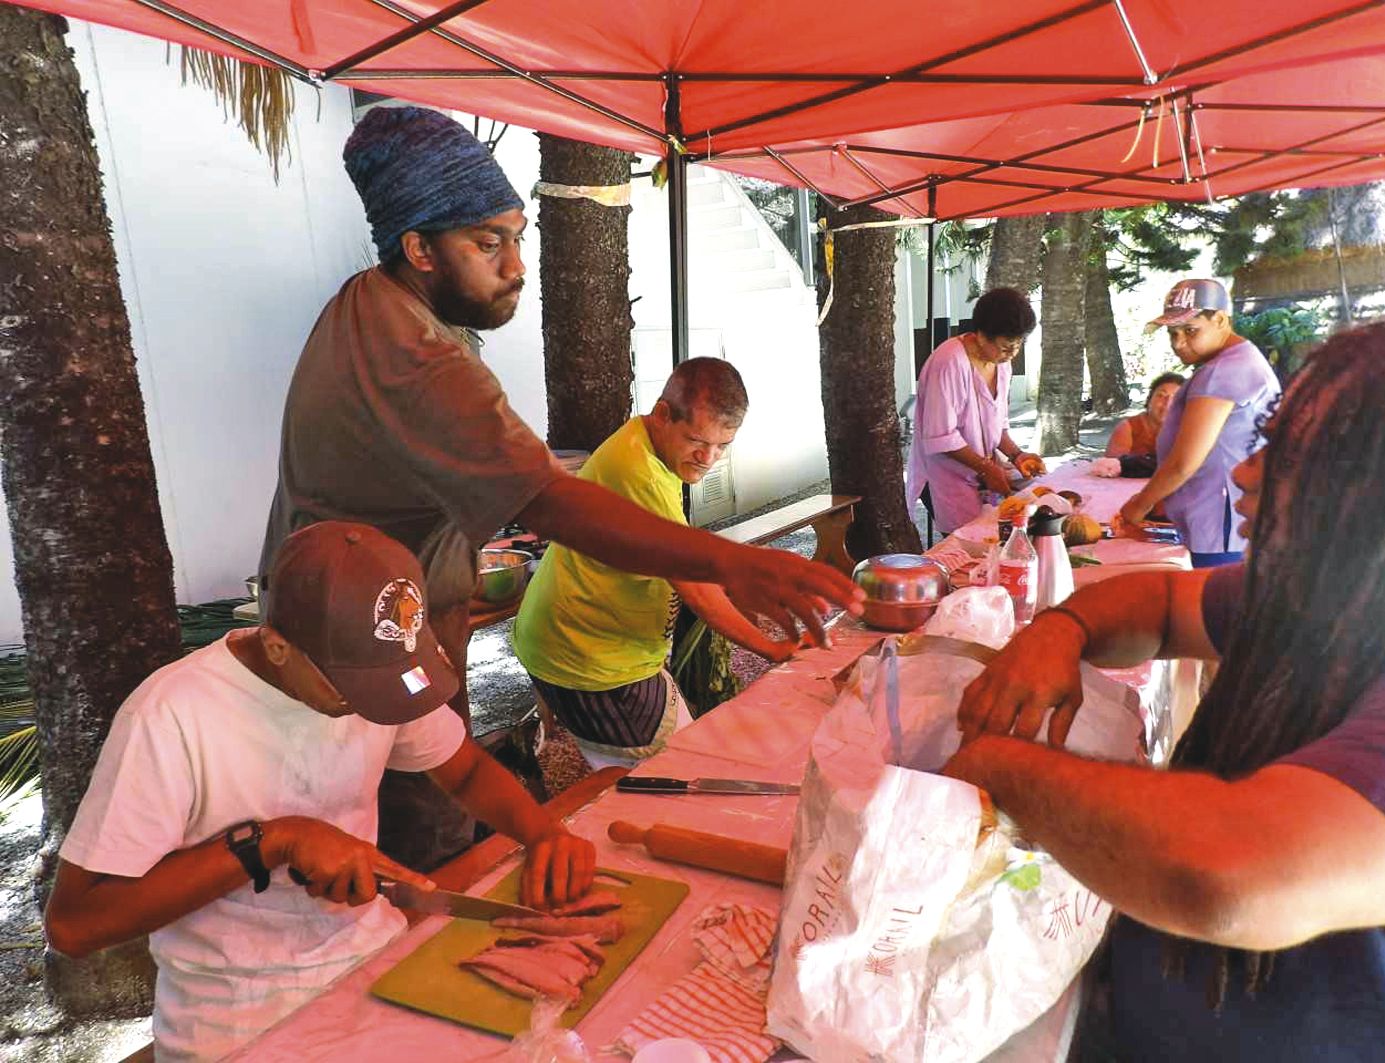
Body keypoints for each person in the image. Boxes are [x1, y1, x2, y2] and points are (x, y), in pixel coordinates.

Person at [257, 106, 859, 864]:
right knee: (410, 839)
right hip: (360, 649)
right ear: (418, 248)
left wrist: (450, 557)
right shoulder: (415, 354)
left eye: (517, 237)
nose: (515, 265)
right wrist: (730, 561)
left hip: (368, 623)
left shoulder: (367, 303)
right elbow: (547, 499)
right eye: (487, 243)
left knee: (410, 817)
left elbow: (402, 477)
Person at [951, 318, 1385, 1060]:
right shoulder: (1323, 594)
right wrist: (1057, 631)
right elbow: (1162, 606)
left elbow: (1229, 872)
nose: (1243, 472)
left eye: (1291, 458)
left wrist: (1000, 768)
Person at [45, 522, 597, 1061]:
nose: (374, 702)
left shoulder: (382, 669)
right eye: (354, 685)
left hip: (375, 960)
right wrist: (271, 843)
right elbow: (75, 924)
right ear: (278, 646)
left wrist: (544, 831)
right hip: (239, 1019)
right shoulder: (170, 717)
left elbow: (465, 770)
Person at [512, 358, 799, 768]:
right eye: (697, 440)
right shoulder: (638, 471)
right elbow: (695, 586)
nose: (708, 458)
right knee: (682, 775)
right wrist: (771, 648)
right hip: (592, 659)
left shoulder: (647, 444)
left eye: (723, 446)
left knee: (645, 776)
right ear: (663, 414)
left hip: (583, 646)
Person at [1117, 280, 1279, 566]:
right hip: (1226, 517)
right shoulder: (1239, 360)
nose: (1179, 343)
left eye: (1191, 331)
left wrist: (1138, 506)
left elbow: (1183, 463)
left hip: (1220, 524)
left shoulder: (1225, 371)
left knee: (1216, 605)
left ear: (1219, 320)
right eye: (1173, 333)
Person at [905, 287, 1046, 535]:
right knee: (968, 549)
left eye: (1017, 345)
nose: (1012, 354)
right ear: (981, 335)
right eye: (1005, 347)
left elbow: (997, 426)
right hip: (946, 478)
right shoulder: (949, 362)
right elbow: (941, 437)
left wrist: (1016, 455)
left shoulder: (1001, 365)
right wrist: (987, 468)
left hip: (982, 474)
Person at [1105, 371, 1184, 463]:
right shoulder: (1128, 428)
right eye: (1161, 396)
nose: (1167, 403)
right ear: (1149, 399)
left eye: (1176, 398)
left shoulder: (1188, 428)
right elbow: (1110, 467)